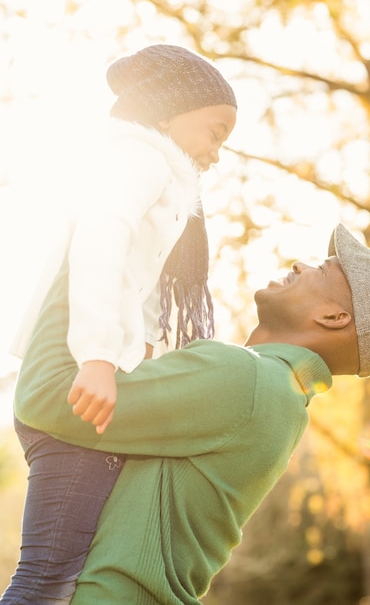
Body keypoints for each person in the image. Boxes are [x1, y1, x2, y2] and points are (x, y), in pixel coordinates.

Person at [9, 225, 370, 604]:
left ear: (333, 317)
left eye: (322, 270)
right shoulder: (281, 399)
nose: (299, 265)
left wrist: (87, 254)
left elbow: (45, 397)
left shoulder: (246, 380)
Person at [1, 44, 237, 604]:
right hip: (73, 378)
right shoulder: (141, 157)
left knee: (61, 575)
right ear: (171, 110)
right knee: (45, 577)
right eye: (216, 131)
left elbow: (138, 283)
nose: (217, 153)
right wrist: (100, 357)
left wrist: (144, 352)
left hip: (83, 375)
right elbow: (101, 240)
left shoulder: (160, 176)